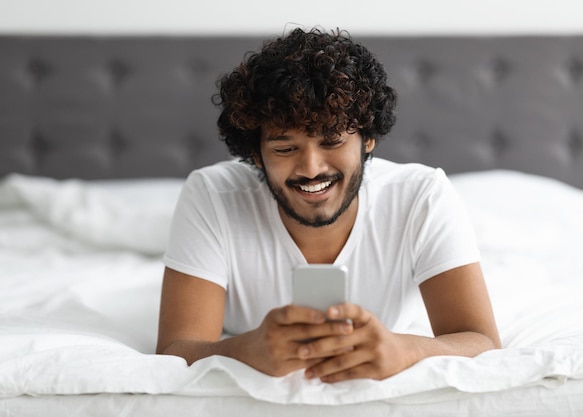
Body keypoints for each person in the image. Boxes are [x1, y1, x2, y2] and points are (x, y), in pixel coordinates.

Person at [156, 27, 501, 383]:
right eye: (285, 149)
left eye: (332, 141)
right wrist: (242, 350)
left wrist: (406, 349)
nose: (310, 169)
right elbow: (175, 350)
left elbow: (483, 341)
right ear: (256, 156)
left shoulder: (421, 196)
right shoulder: (212, 195)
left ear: (368, 139)